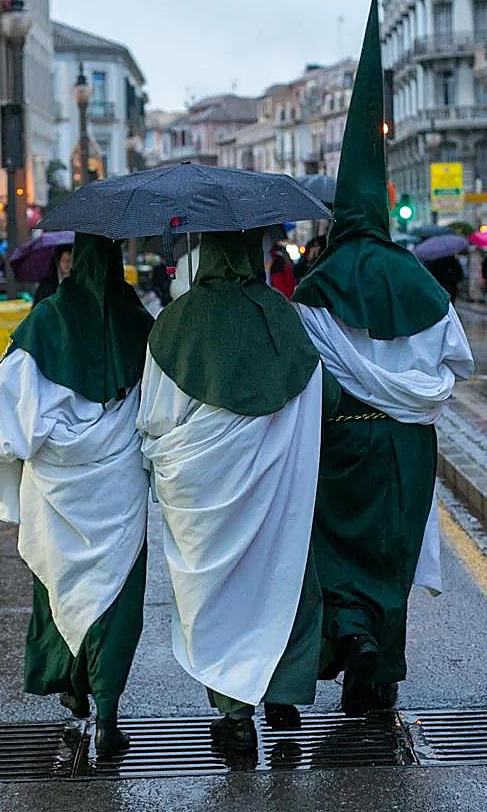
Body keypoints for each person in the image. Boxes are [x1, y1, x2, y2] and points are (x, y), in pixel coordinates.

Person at [292, 0, 474, 717]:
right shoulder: (418, 281)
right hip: (405, 448)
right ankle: (382, 675)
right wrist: (406, 378)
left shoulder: (315, 286)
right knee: (391, 559)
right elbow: (454, 360)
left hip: (341, 447)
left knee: (339, 553)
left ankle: (353, 642)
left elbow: (305, 369)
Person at [138, 228, 331, 752]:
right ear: (255, 254)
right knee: (282, 579)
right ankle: (283, 695)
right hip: (275, 484)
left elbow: (156, 413)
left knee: (216, 595)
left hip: (202, 491)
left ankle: (234, 713)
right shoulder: (281, 314)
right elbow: (316, 393)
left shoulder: (175, 322)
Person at [0, 234, 154, 756]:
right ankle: (109, 712)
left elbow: (5, 406)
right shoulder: (137, 321)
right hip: (118, 485)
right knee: (116, 594)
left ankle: (72, 691)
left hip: (56, 489)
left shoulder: (46, 321)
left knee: (58, 586)